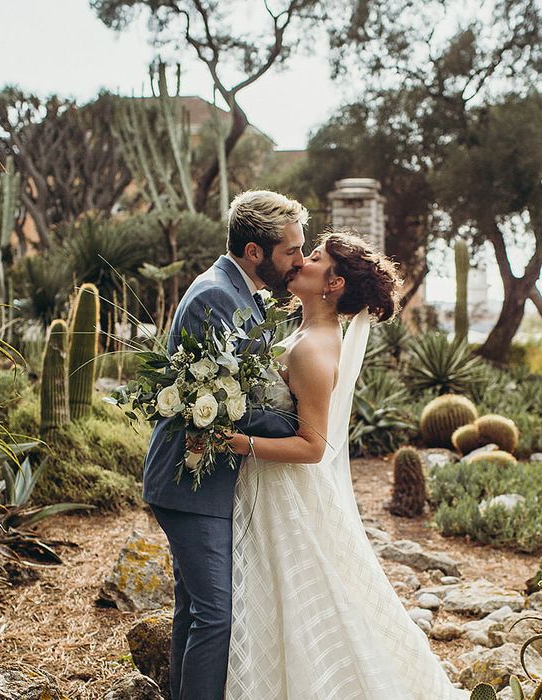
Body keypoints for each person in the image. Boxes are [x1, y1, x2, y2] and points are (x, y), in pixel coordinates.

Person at [224, 231, 467, 699]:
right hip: (274, 488)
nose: (301, 262)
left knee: (298, 605)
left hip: (285, 494)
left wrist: (235, 442)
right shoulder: (304, 334)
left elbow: (313, 445)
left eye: (314, 258)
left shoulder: (313, 348)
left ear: (333, 284)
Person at [143, 190, 308, 700]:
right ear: (255, 251)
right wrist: (299, 422)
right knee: (216, 616)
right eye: (291, 251)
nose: (300, 261)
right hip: (191, 483)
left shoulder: (241, 293)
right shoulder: (216, 296)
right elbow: (220, 406)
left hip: (204, 482)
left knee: (193, 610)